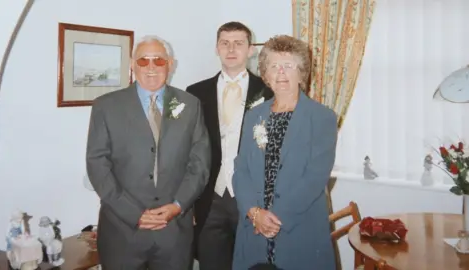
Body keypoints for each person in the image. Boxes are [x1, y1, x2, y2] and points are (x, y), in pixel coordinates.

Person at [86, 35, 211, 270]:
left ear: (170, 64)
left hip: (174, 232)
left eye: (159, 61)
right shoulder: (106, 106)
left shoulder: (190, 104)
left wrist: (178, 205)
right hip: (123, 232)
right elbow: (97, 164)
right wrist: (133, 213)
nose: (151, 67)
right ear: (132, 65)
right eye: (143, 61)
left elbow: (200, 163)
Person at [232, 35, 338, 270]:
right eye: (273, 66)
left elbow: (315, 177)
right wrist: (254, 212)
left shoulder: (322, 117)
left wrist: (275, 219)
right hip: (255, 228)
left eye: (288, 66)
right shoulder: (254, 115)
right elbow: (241, 169)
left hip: (299, 228)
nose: (281, 72)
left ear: (301, 73)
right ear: (265, 75)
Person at [186, 21, 273, 270]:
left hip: (253, 200)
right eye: (225, 43)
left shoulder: (268, 91)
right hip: (209, 199)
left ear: (251, 49)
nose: (231, 48)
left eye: (238, 43)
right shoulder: (194, 92)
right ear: (216, 48)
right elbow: (186, 149)